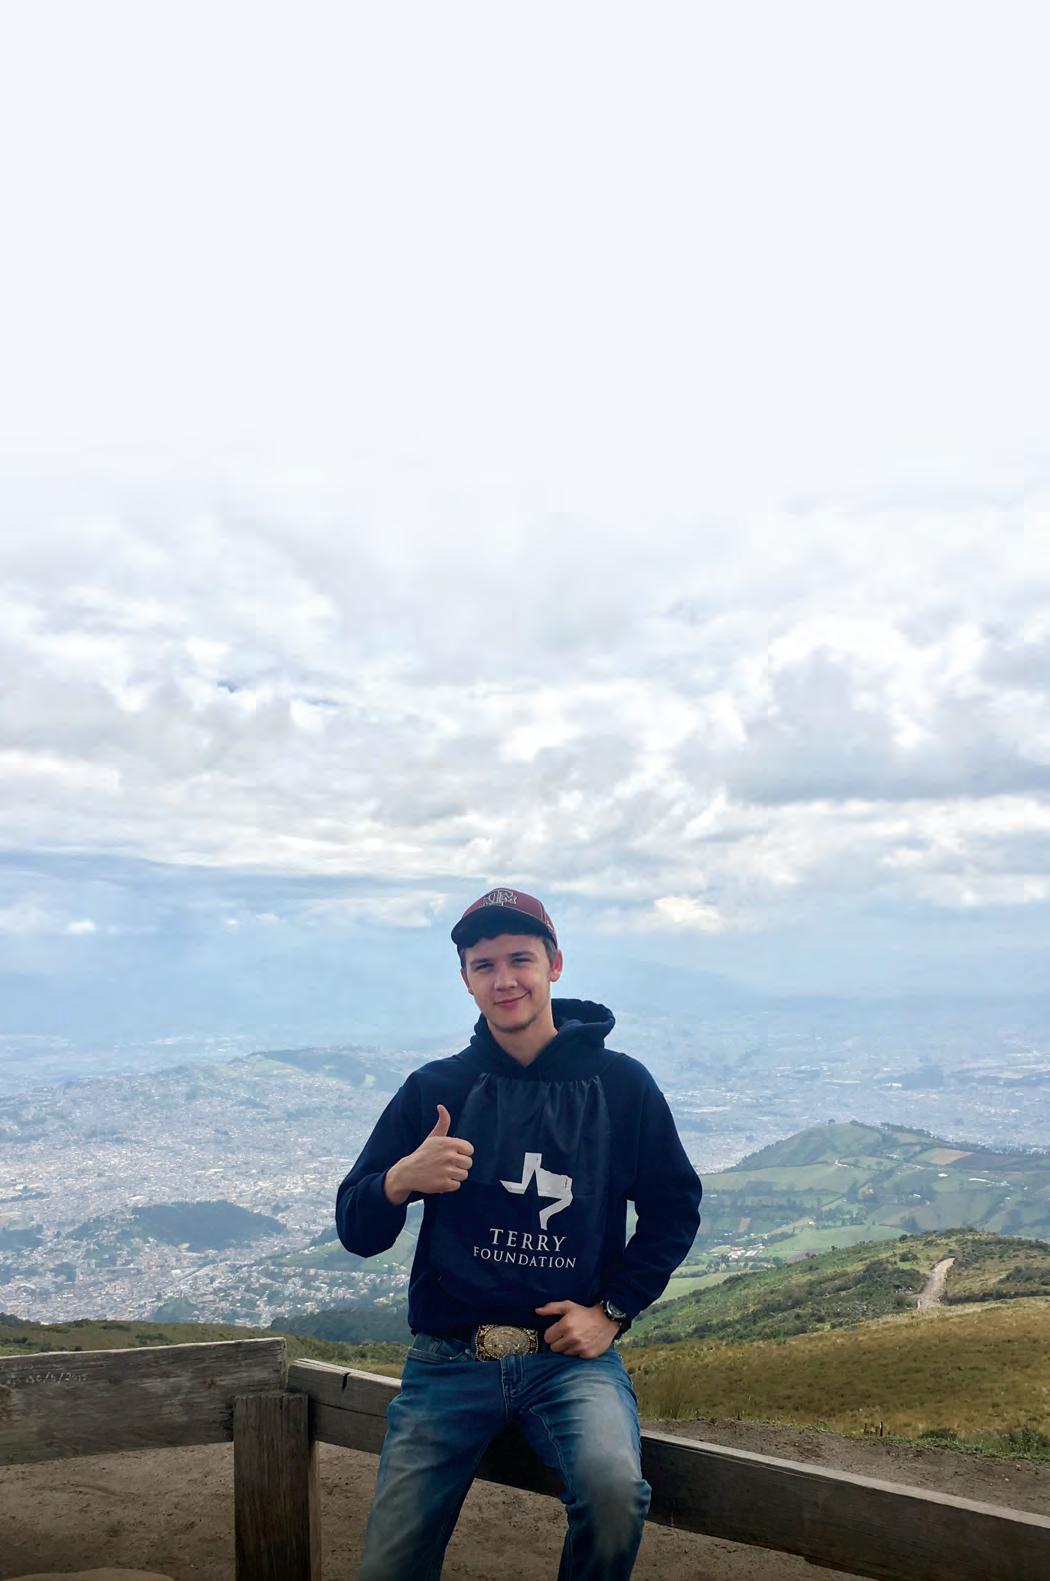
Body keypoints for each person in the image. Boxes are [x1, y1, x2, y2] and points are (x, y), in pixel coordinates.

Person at [335, 887, 703, 1580]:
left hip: (569, 1361)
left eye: (520, 960)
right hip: (448, 1360)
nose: (504, 980)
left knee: (615, 1494)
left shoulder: (622, 1086)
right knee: (388, 1566)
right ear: (465, 979)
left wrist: (613, 1310)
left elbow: (674, 1206)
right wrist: (400, 1179)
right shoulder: (437, 1089)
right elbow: (356, 1225)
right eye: (484, 965)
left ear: (554, 965)